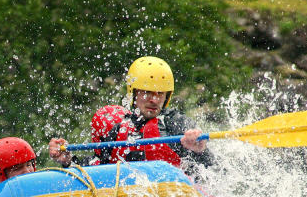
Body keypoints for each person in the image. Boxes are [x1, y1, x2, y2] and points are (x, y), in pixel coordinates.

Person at [49, 56, 213, 171]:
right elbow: (96, 167)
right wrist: (67, 161)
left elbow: (212, 167)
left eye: (159, 94)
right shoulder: (120, 130)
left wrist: (199, 149)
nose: (154, 100)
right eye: (147, 93)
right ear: (133, 94)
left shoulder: (175, 123)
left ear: (167, 97)